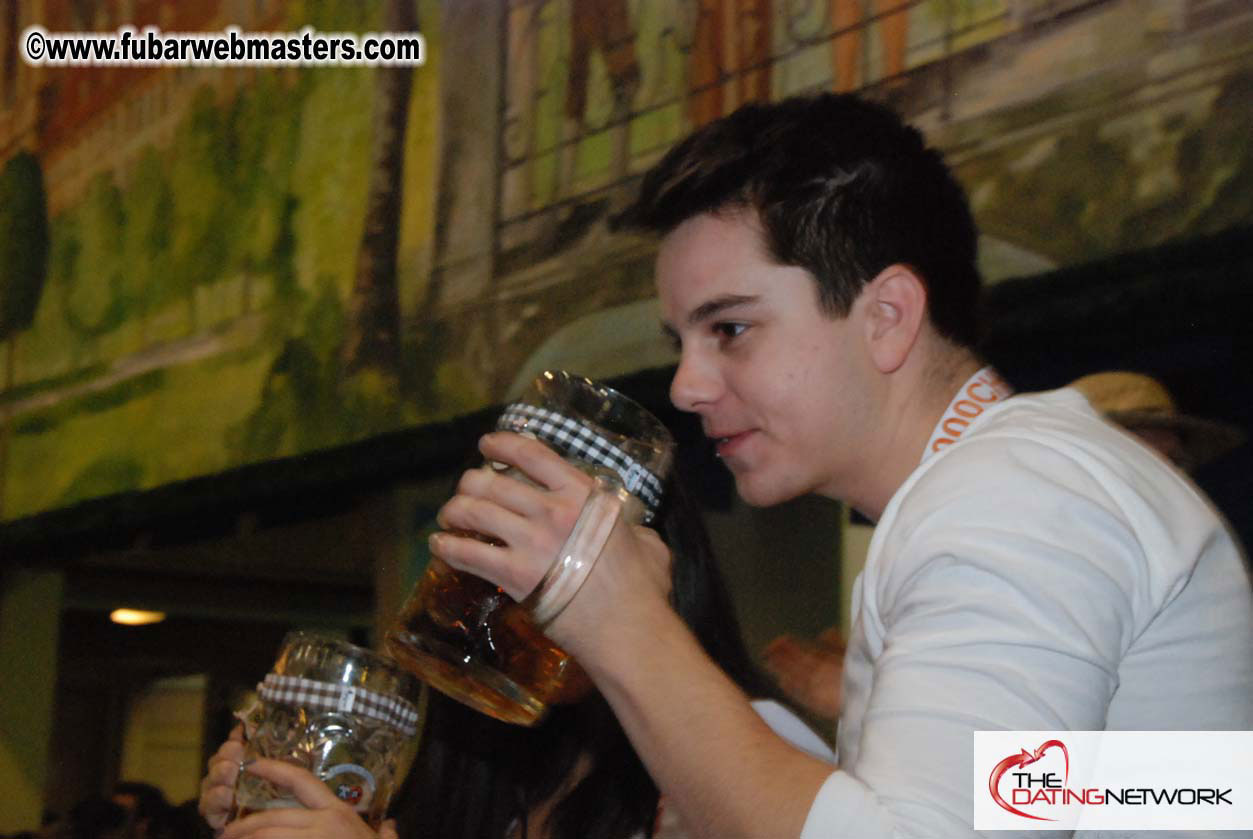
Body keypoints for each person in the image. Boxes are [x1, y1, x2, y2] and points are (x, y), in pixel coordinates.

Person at [426, 93, 1253, 837]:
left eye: (732, 329)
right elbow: (1158, 790)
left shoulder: (1008, 495)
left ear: (887, 316)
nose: (687, 384)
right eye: (681, 342)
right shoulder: (1007, 483)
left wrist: (620, 624)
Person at [198, 475, 832, 838]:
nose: (503, 610)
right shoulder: (480, 767)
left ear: (655, 570)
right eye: (483, 566)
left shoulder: (754, 749)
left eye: (545, 570)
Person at [763, 368, 1249, 725]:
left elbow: (1197, 795)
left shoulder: (1185, 573)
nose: (1142, 480)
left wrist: (878, 711)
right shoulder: (1025, 560)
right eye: (1123, 454)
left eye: (1167, 464)